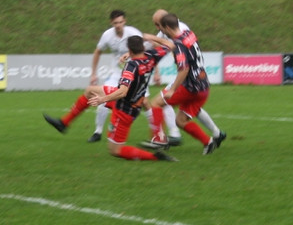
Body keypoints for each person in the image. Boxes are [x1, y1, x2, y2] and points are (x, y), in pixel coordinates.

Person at [84, 36, 176, 162]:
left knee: (115, 150)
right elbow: (170, 44)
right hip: (135, 103)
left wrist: (102, 99)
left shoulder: (131, 67)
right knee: (90, 90)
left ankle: (155, 157)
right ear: (143, 47)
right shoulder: (151, 56)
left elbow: (122, 92)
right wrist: (150, 37)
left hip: (123, 110)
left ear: (129, 50)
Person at [148, 13, 225, 155]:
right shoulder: (189, 34)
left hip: (190, 87)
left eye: (161, 29)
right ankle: (208, 142)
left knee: (156, 103)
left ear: (166, 28)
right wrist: (152, 38)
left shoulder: (179, 45)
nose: (161, 32)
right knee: (180, 121)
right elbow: (172, 44)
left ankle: (159, 139)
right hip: (203, 86)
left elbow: (184, 69)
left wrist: (173, 89)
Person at [87, 9, 142, 142]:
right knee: (103, 99)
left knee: (146, 103)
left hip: (135, 74)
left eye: (121, 22)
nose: (118, 25)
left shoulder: (133, 33)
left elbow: (145, 51)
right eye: (116, 22)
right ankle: (98, 131)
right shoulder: (107, 35)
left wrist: (155, 72)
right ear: (111, 22)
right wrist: (93, 73)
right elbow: (97, 51)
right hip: (117, 73)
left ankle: (159, 135)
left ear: (125, 21)